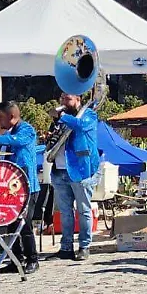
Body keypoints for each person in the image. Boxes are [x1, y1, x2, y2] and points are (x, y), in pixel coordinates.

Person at [46, 92, 100, 261]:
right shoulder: (62, 119)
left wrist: (61, 115)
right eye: (61, 98)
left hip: (81, 169)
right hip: (60, 169)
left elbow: (80, 126)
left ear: (78, 99)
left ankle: (84, 246)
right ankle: (66, 248)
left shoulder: (89, 114)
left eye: (67, 98)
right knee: (64, 211)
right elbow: (56, 137)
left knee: (83, 210)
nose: (63, 102)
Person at [0, 101, 40, 275]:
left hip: (27, 185)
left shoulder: (26, 130)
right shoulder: (7, 133)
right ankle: (15, 259)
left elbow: (17, 141)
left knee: (24, 224)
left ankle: (32, 259)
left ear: (12, 116)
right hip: (9, 187)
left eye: (0, 117)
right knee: (10, 224)